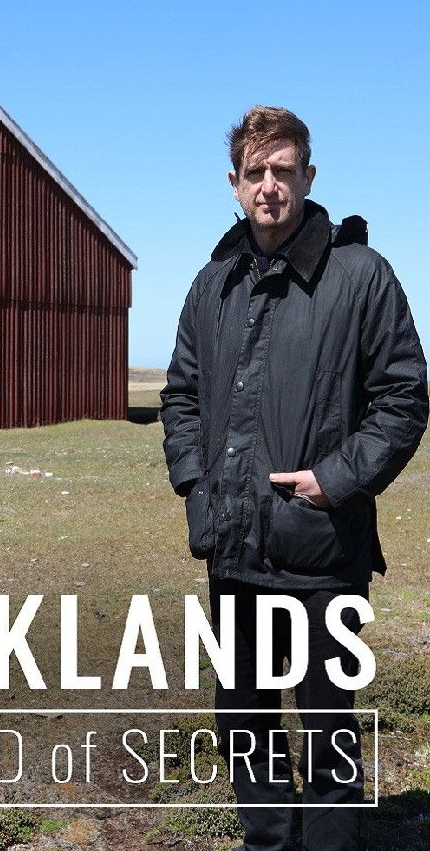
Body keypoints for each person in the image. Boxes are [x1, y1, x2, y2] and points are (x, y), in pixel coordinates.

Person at [160, 106, 428, 851]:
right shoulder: (213, 284)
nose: (269, 186)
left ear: (309, 176)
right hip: (234, 546)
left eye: (283, 170)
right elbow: (181, 395)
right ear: (234, 183)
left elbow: (404, 396)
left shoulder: (360, 276)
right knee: (244, 718)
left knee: (327, 718)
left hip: (323, 549)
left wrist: (334, 480)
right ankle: (268, 842)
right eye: (256, 172)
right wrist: (197, 485)